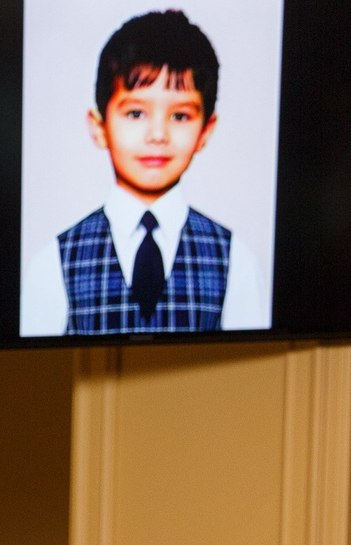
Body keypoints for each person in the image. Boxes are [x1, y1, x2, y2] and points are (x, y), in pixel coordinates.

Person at [20, 9, 270, 337]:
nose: (158, 135)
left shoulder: (236, 262)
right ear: (99, 127)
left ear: (205, 131)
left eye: (180, 116)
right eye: (136, 113)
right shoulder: (53, 264)